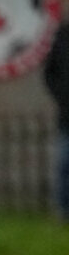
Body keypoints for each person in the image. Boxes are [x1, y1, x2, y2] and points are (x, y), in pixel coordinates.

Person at [44, 25, 69, 223]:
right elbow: (50, 73)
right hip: (67, 116)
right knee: (64, 165)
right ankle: (64, 210)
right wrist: (62, 97)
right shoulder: (62, 36)